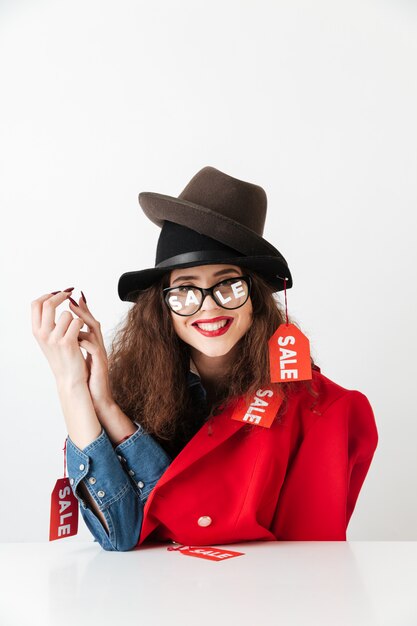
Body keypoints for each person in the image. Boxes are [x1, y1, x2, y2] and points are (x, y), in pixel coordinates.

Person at [31, 166, 378, 551]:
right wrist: (78, 390)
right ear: (162, 307)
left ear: (257, 299)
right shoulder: (141, 390)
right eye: (185, 289)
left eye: (228, 284)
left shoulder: (323, 411)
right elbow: (122, 535)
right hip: (149, 605)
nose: (208, 307)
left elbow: (309, 564)